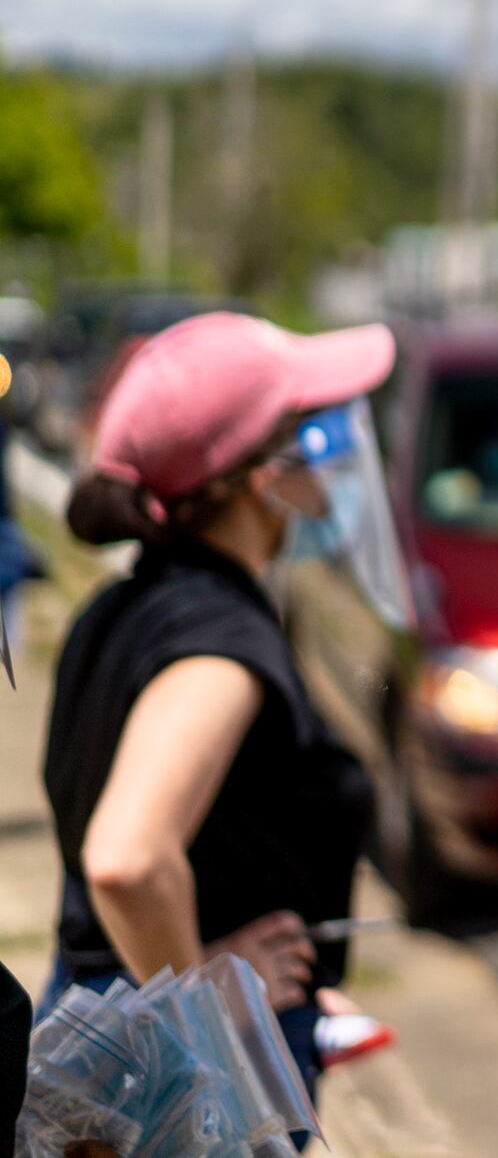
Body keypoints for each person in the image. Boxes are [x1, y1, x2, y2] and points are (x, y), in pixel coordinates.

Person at [40, 311, 396, 1108]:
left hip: (101, 1027)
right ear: (258, 477)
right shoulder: (221, 641)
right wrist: (210, 999)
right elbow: (126, 861)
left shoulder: (126, 605)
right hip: (187, 1081)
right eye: (309, 431)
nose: (326, 460)